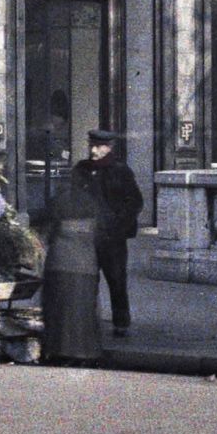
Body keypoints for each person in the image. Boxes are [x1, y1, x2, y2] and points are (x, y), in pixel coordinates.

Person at [71, 127, 143, 337]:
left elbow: (135, 202)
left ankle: (121, 324)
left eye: (98, 147)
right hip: (87, 237)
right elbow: (72, 199)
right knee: (88, 281)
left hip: (112, 240)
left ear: (108, 147)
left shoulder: (120, 171)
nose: (93, 151)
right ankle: (88, 321)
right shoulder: (81, 170)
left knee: (117, 281)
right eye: (91, 146)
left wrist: (119, 226)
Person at [31, 177, 101, 365]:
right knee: (83, 311)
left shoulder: (57, 203)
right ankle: (85, 353)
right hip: (87, 265)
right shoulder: (93, 205)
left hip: (60, 263)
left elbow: (42, 224)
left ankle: (58, 351)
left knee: (59, 310)